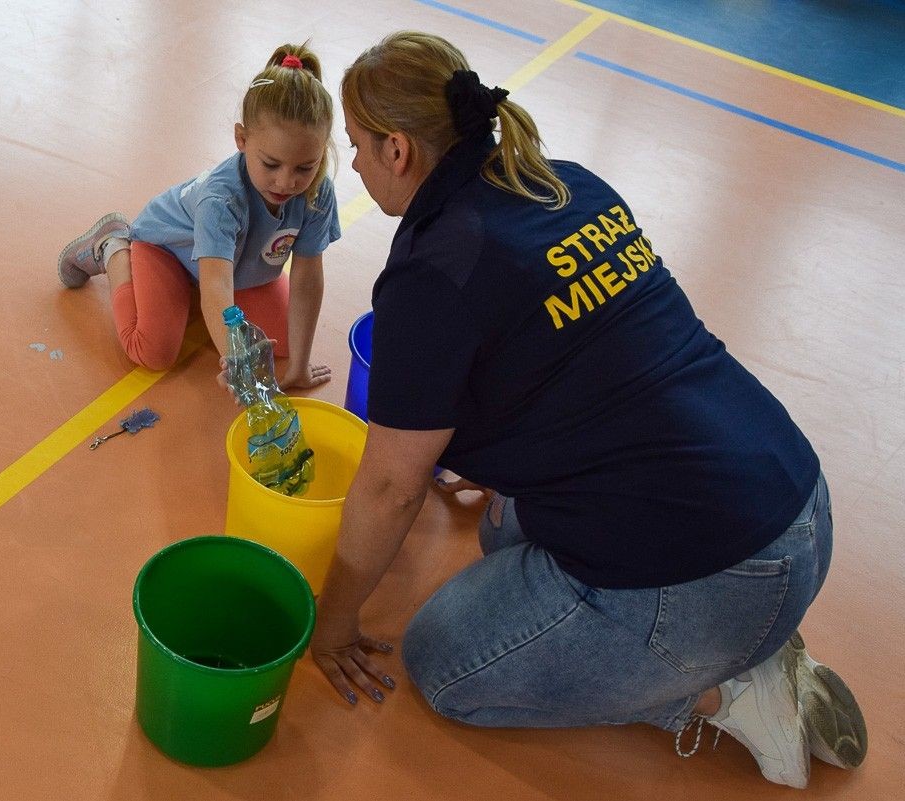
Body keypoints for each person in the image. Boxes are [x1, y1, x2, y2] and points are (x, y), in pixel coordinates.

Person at [310, 31, 867, 790]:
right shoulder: (567, 183)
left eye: (360, 147)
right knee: (504, 524)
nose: (358, 164)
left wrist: (332, 621)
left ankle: (729, 688)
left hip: (718, 576)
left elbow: (389, 487)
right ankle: (747, 637)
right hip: (797, 501)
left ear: (399, 150)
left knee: (444, 662)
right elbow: (595, 356)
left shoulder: (432, 272)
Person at [56, 44, 339, 391]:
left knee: (288, 341)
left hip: (235, 268)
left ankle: (179, 297)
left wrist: (300, 364)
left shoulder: (317, 192)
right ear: (241, 139)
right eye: (271, 164)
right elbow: (217, 288)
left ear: (320, 154)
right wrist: (236, 363)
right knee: (153, 351)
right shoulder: (221, 199)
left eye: (304, 167)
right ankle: (113, 246)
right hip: (168, 250)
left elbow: (308, 277)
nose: (286, 181)